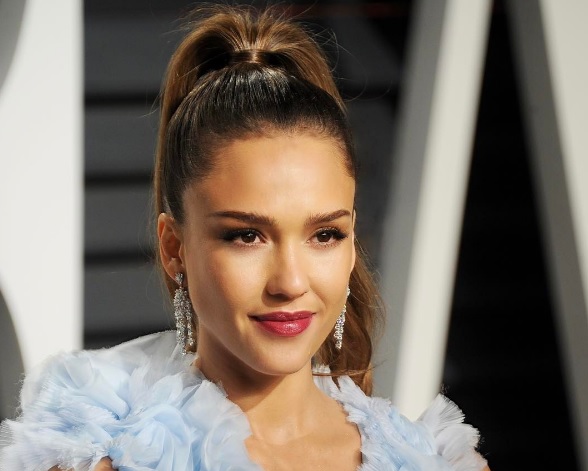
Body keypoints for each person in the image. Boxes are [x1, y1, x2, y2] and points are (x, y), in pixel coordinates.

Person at [0, 5, 490, 470]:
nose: (290, 282)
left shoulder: (431, 462)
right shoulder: (102, 456)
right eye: (247, 236)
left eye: (325, 234)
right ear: (174, 248)